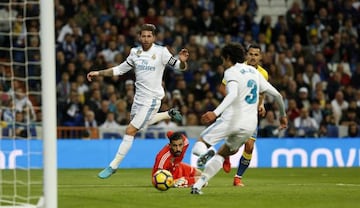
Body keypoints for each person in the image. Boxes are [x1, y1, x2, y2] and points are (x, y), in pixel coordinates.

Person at [87, 24, 189, 179]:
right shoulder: (135, 52)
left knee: (130, 130)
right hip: (138, 99)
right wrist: (98, 73)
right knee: (141, 125)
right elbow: (120, 69)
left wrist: (182, 61)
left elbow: (179, 67)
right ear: (139, 37)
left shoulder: (161, 52)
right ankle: (168, 114)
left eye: (149, 36)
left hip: (152, 99)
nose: (146, 39)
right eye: (144, 36)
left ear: (154, 37)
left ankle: (113, 165)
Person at [190, 43, 287, 194]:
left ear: (228, 58)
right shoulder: (256, 73)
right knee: (222, 154)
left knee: (200, 144)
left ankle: (204, 154)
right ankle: (198, 186)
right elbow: (277, 95)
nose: (222, 61)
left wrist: (215, 113)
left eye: (223, 58)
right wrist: (283, 116)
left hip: (232, 119)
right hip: (249, 125)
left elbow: (233, 94)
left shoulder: (231, 72)